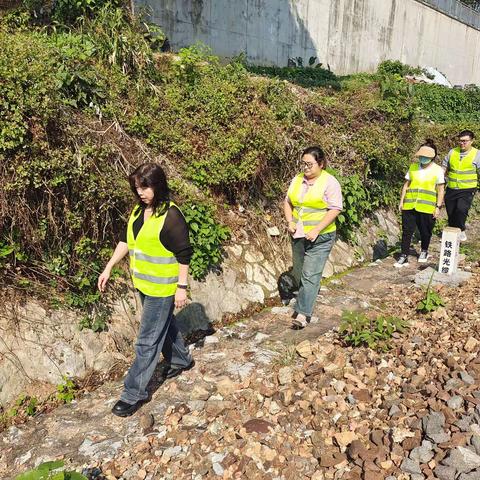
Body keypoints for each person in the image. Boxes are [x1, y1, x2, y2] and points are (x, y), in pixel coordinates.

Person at [98, 163, 194, 417]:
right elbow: (125, 241)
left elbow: (184, 254)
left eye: (145, 186)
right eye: (137, 187)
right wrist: (108, 268)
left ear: (158, 185)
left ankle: (133, 394)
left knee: (147, 340)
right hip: (143, 284)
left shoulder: (171, 215)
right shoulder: (138, 212)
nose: (141, 192)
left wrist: (181, 288)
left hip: (162, 288)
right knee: (164, 326)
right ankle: (181, 359)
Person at [283, 146, 342, 329]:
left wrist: (317, 229)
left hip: (321, 237)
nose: (306, 168)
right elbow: (287, 201)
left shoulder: (329, 182)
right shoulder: (297, 179)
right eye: (303, 164)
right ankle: (307, 296)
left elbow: (335, 209)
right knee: (299, 272)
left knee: (310, 275)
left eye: (310, 164)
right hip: (299, 234)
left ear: (321, 164)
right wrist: (289, 221)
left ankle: (302, 314)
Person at [395, 140, 445, 268]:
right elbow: (406, 185)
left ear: (432, 157)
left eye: (425, 157)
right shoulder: (413, 167)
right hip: (409, 205)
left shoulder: (438, 170)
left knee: (425, 231)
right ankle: (404, 255)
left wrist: (438, 207)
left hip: (427, 207)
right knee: (407, 231)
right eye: (421, 156)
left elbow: (440, 190)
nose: (422, 158)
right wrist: (401, 201)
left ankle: (424, 250)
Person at [442, 130, 480, 241]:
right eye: (460, 141)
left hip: (467, 188)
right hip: (452, 187)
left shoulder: (477, 154)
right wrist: (439, 180)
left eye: (465, 141)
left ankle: (461, 230)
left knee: (461, 209)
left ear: (472, 141)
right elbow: (444, 166)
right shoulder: (452, 152)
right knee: (451, 211)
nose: (462, 143)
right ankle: (453, 234)